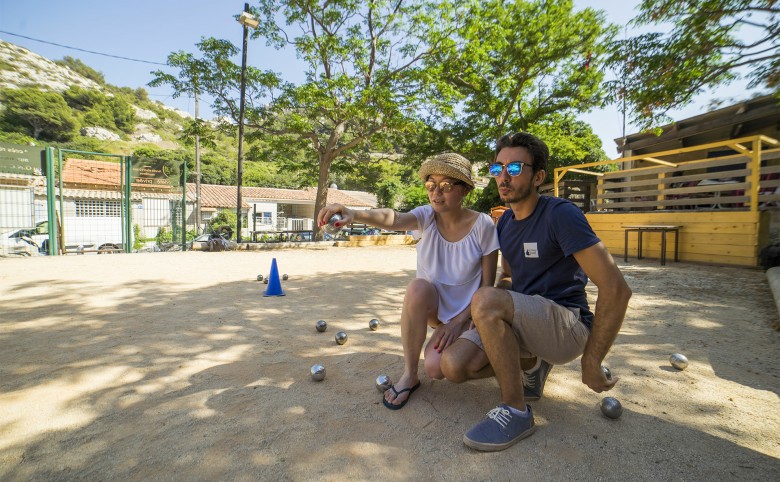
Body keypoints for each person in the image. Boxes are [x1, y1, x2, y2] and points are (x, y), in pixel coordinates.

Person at [460, 132, 632, 452]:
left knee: (485, 301)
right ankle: (532, 367)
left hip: (567, 324)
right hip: (530, 322)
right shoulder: (505, 223)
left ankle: (516, 411)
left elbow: (616, 289)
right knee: (455, 366)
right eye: (498, 169)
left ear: (538, 176)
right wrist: (485, 309)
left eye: (514, 168)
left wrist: (592, 360)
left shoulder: (560, 214)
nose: (503, 177)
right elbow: (509, 278)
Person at [317, 153, 500, 409]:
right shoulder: (425, 217)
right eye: (431, 185)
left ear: (466, 189)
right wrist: (354, 213)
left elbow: (487, 289)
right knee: (417, 287)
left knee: (436, 369)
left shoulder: (483, 226)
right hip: (435, 311)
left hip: (469, 316)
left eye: (447, 186)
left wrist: (461, 323)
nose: (436, 193)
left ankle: (502, 361)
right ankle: (410, 374)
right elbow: (394, 218)